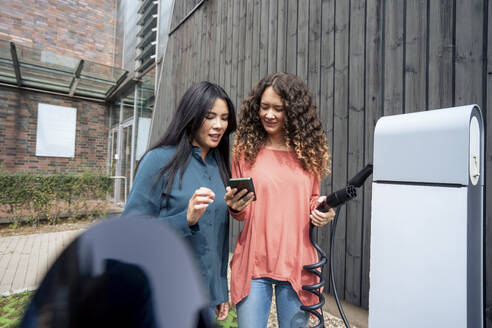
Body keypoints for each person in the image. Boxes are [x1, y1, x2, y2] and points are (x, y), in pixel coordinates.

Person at [224, 72, 336, 327]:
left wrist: (323, 210)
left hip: (297, 263)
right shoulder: (245, 151)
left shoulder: (309, 153)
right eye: (264, 107)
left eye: (278, 108)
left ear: (294, 111)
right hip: (253, 263)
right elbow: (243, 212)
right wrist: (235, 206)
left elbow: (311, 201)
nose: (269, 114)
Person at [122, 81, 236, 324]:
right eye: (210, 116)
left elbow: (219, 238)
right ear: (192, 116)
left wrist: (220, 289)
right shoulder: (158, 160)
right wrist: (185, 219)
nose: (219, 125)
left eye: (224, 118)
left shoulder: (221, 167)